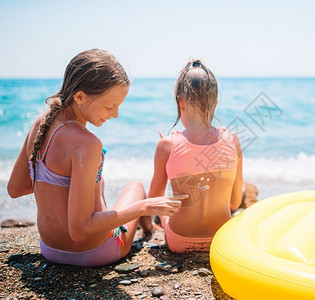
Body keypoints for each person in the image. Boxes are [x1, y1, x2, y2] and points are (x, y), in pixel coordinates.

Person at [7, 49, 186, 267]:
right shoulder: (87, 144)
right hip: (93, 252)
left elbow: (15, 189)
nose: (115, 114)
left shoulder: (41, 123)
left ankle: (146, 226)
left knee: (97, 184)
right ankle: (149, 228)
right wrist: (144, 207)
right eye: (110, 106)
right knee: (137, 188)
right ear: (80, 97)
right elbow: (80, 229)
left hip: (50, 249)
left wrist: (59, 187)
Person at [148, 59, 243, 253]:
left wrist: (170, 153)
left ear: (180, 102)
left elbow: (154, 203)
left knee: (165, 210)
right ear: (215, 103)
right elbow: (234, 203)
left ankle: (149, 231)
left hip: (179, 242)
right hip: (220, 241)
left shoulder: (166, 145)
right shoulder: (232, 140)